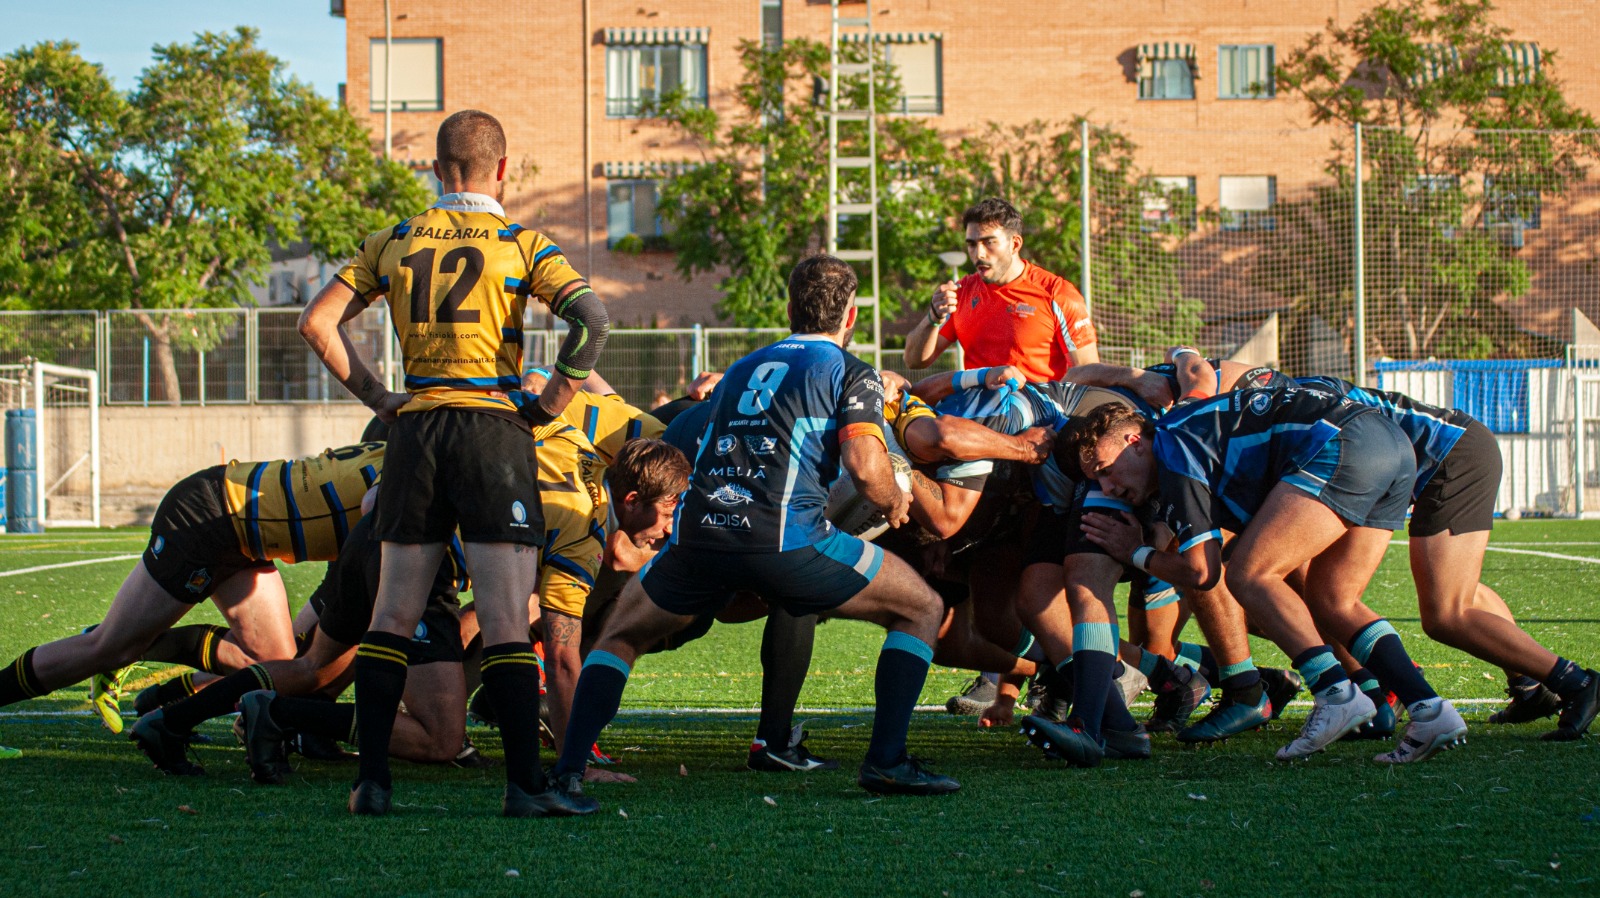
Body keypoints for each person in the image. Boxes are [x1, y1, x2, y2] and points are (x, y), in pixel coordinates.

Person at [550, 254, 958, 811]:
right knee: (921, 608)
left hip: (699, 539)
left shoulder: (742, 367)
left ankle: (568, 775)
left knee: (620, 636)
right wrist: (895, 500)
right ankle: (886, 761)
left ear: (789, 309)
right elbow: (866, 467)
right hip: (787, 543)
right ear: (853, 316)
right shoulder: (850, 371)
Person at [297, 109, 609, 818]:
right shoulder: (521, 243)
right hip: (493, 435)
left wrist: (381, 397)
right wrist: (553, 399)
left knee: (392, 614)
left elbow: (316, 322)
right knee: (503, 617)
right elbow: (593, 319)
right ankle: (526, 788)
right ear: (503, 170)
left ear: (438, 172)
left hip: (416, 431)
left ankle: (370, 782)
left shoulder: (396, 239)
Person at [1074, 391, 1468, 764]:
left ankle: (1335, 693)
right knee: (1334, 601)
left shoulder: (1173, 446)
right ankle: (1430, 710)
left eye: (1107, 471)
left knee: (1249, 573)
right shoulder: (1193, 435)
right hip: (1393, 445)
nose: (1107, 488)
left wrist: (1135, 552)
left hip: (1346, 441)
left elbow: (1203, 572)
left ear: (1135, 440)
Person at [0, 444, 382, 735]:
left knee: (280, 666)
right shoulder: (418, 461)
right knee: (109, 647)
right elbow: (372, 508)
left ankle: (145, 660)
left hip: (246, 540)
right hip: (207, 517)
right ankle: (117, 650)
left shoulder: (412, 447)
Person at [903, 197, 1098, 380]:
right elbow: (913, 361)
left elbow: (1089, 373)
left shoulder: (1057, 293)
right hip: (975, 409)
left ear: (1014, 244)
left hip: (1036, 412)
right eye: (971, 244)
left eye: (989, 242)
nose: (979, 253)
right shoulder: (960, 293)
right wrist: (933, 318)